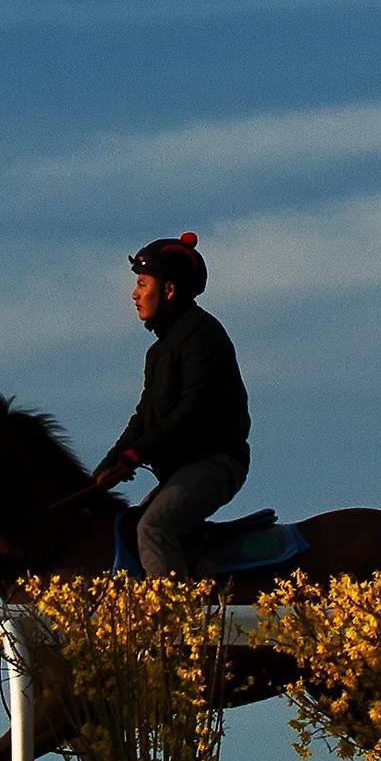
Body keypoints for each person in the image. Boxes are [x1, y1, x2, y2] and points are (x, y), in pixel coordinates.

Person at [91, 232, 251, 578]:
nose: (134, 294)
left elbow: (192, 411)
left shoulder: (202, 334)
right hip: (181, 470)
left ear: (170, 290)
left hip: (216, 463)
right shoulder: (159, 350)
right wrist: (106, 466)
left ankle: (174, 629)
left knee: (153, 529)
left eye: (142, 283)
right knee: (129, 525)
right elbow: (143, 418)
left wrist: (133, 457)